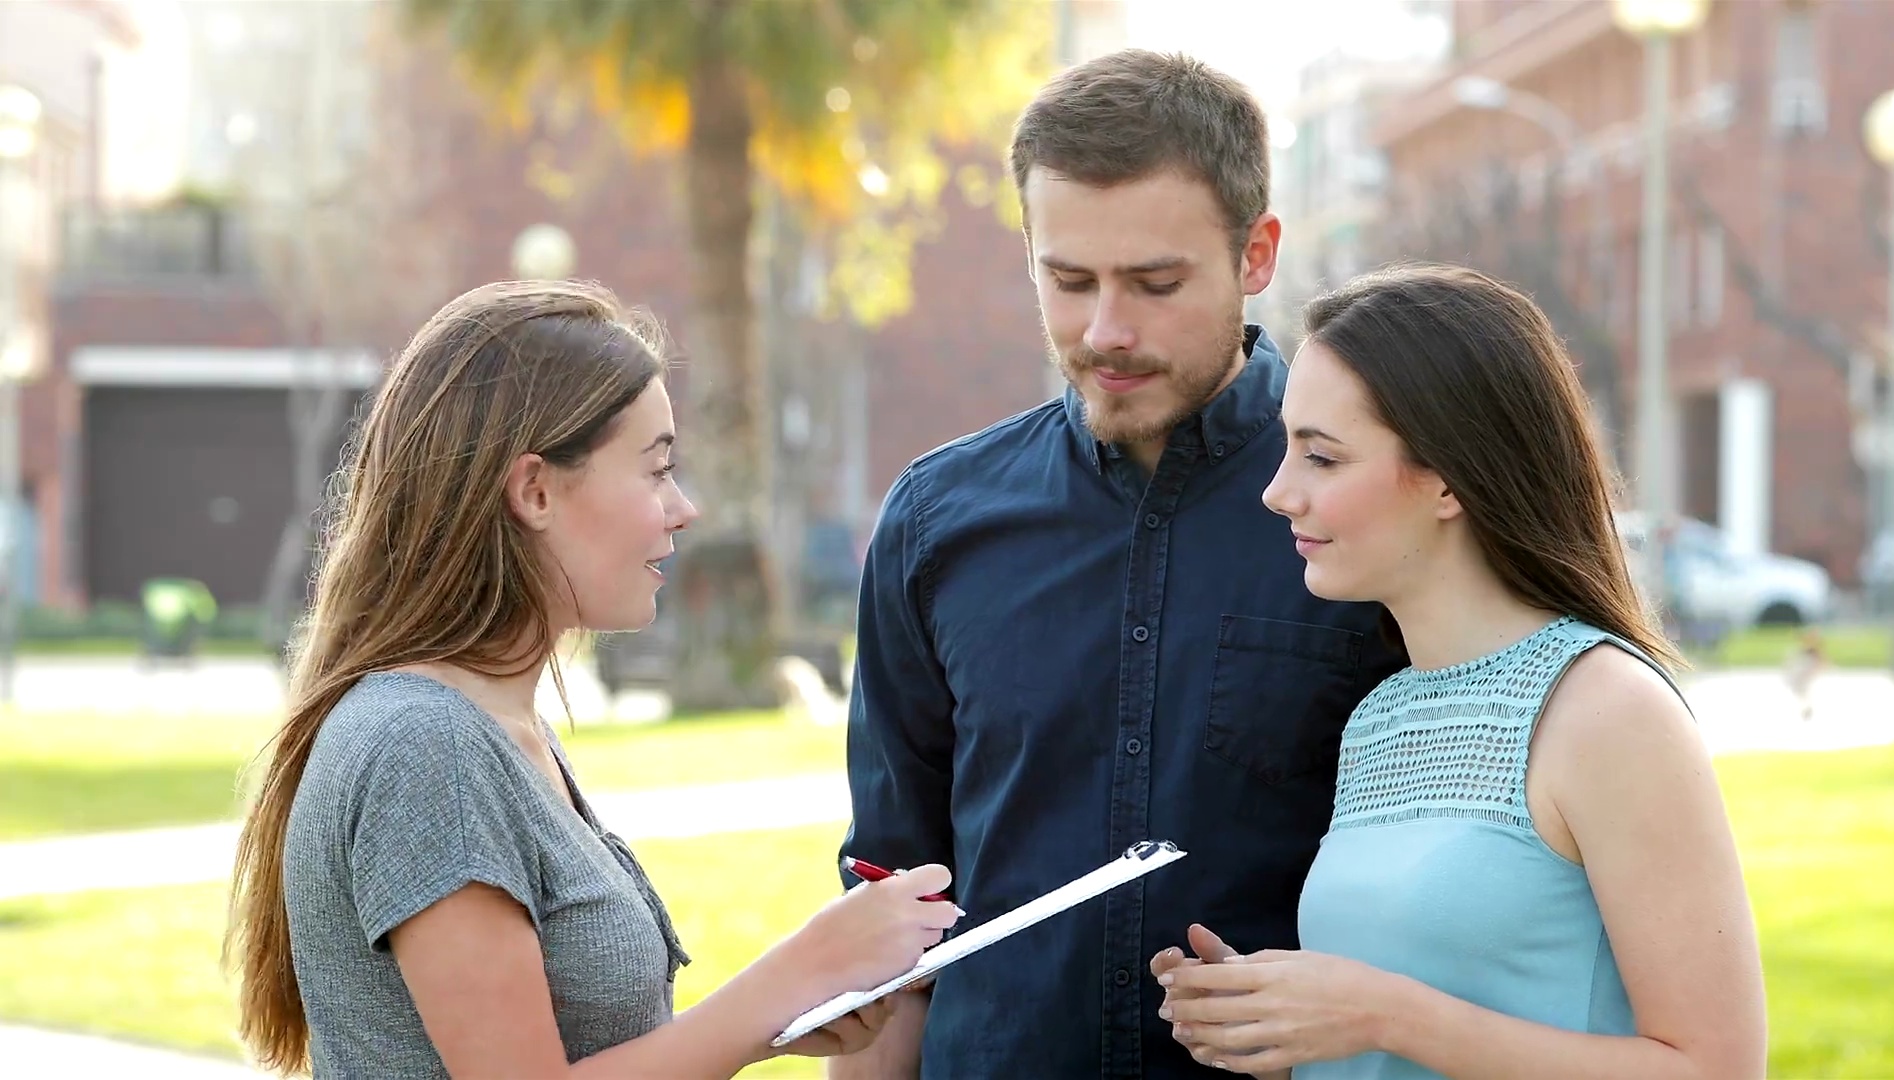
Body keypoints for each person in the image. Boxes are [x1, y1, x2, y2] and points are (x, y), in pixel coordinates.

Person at [832, 50, 1406, 1080]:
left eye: (1154, 283)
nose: (1106, 331)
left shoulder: (1372, 502)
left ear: (1257, 253)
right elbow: (894, 915)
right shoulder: (934, 522)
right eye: (1068, 280)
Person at [223, 280, 961, 1079]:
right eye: (655, 471)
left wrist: (784, 1018)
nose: (683, 508)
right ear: (534, 491)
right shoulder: (424, 746)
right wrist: (792, 977)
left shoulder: (494, 728)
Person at [1153, 265, 1767, 1079]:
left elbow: (1718, 1069)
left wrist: (1383, 1014)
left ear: (1447, 477)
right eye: (1287, 451)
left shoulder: (1606, 711)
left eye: (1324, 459)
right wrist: (1276, 1025)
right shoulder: (1380, 716)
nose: (1278, 493)